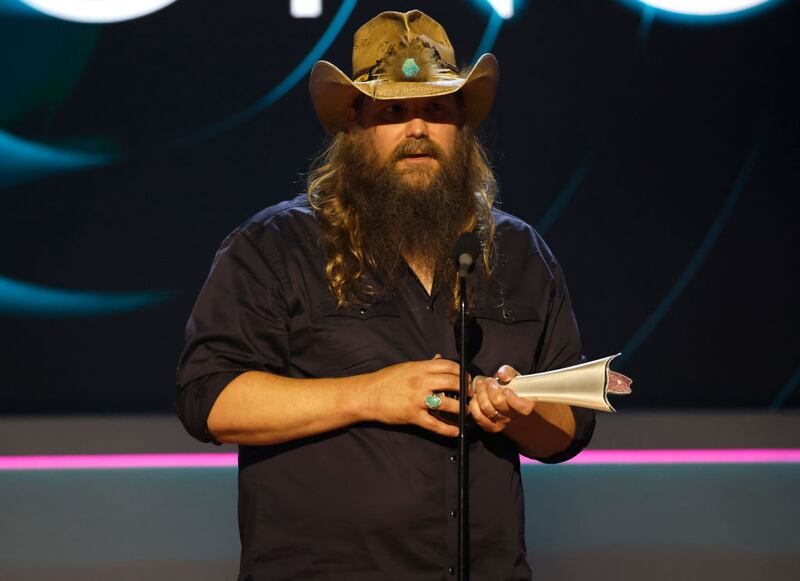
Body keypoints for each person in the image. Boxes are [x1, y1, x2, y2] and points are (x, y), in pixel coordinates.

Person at [176, 9, 595, 580]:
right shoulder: (275, 246)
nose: (416, 129)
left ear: (462, 126)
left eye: (435, 109)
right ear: (353, 127)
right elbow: (210, 400)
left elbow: (568, 430)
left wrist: (516, 413)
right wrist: (369, 394)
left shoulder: (520, 253)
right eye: (392, 112)